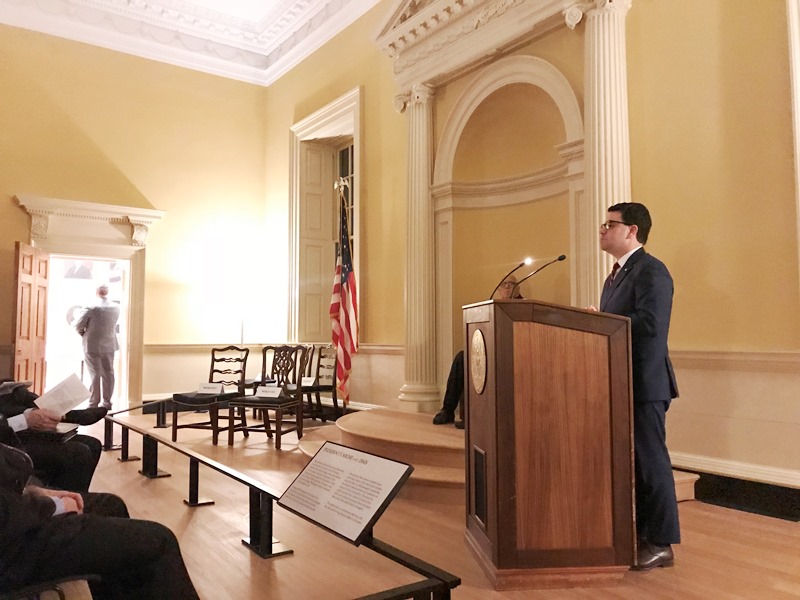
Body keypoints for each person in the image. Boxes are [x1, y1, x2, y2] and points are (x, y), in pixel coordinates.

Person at [591, 202, 680, 571]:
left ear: (632, 232)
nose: (602, 230)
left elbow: (650, 325)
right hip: (620, 381)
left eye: (610, 224)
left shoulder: (652, 271)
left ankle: (661, 544)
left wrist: (602, 321)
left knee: (650, 463)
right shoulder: (615, 276)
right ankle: (638, 534)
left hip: (643, 383)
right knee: (633, 464)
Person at [0, 442, 200, 599]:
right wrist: (53, 506)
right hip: (11, 538)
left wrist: (32, 491)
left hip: (13, 508)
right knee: (159, 542)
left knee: (110, 505)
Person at [432, 274, 522, 428]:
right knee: (462, 358)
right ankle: (448, 410)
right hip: (490, 351)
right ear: (498, 289)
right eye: (503, 284)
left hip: (513, 354)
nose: (507, 287)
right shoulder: (492, 307)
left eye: (511, 284)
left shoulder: (523, 307)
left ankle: (481, 418)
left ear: (518, 287)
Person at [0, 383, 107, 492]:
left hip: (8, 428)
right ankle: (61, 505)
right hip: (5, 442)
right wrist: (24, 421)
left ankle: (60, 414)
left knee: (93, 444)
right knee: (77, 452)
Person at [75, 284, 120, 409]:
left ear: (96, 292)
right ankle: (107, 402)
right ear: (107, 292)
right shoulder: (116, 308)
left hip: (92, 344)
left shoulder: (91, 307)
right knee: (109, 373)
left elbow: (78, 325)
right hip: (110, 344)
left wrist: (83, 334)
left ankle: (93, 402)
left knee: (95, 374)